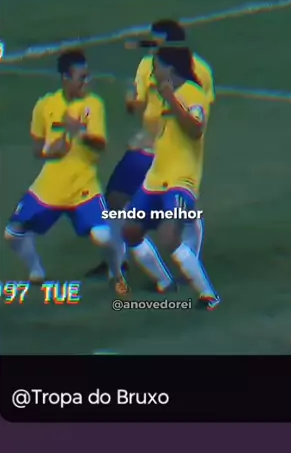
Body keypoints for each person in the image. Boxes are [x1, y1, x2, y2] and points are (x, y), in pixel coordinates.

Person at [85, 19, 215, 279]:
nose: (151, 45)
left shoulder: (200, 70)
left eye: (156, 41)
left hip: (175, 150)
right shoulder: (147, 65)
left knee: (181, 209)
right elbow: (139, 104)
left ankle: (189, 259)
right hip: (144, 146)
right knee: (116, 198)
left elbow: (199, 112)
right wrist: (130, 102)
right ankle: (117, 261)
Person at [3, 50, 127, 291]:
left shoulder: (93, 104)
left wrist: (80, 131)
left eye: (88, 76)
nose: (87, 81)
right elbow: (37, 149)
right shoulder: (45, 105)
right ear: (65, 78)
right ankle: (36, 270)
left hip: (84, 186)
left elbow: (100, 144)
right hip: (50, 186)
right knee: (12, 233)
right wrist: (51, 152)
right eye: (81, 77)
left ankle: (115, 271)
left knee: (102, 237)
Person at [121, 45, 220, 310]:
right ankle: (165, 282)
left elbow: (195, 129)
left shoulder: (193, 94)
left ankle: (208, 295)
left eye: (157, 66)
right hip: (156, 177)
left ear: (170, 68)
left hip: (181, 179)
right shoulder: (161, 95)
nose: (152, 71)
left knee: (168, 234)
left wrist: (172, 100)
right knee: (130, 230)